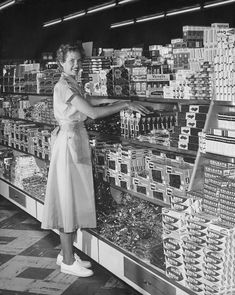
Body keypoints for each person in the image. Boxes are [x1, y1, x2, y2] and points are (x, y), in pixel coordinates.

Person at [41, 41, 150, 277]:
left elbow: (88, 103)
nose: (76, 65)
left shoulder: (72, 83)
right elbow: (91, 113)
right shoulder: (63, 86)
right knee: (68, 201)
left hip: (74, 139)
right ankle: (68, 260)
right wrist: (124, 103)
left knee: (72, 198)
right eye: (71, 61)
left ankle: (65, 253)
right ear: (61, 62)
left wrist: (110, 101)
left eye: (79, 60)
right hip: (69, 143)